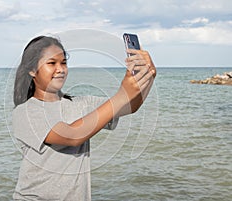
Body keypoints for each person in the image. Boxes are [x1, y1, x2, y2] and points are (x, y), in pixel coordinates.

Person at [12, 35, 156, 200]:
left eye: (64, 62)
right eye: (51, 63)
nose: (60, 69)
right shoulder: (25, 112)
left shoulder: (82, 103)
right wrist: (121, 96)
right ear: (32, 70)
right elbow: (72, 136)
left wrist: (149, 76)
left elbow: (131, 106)